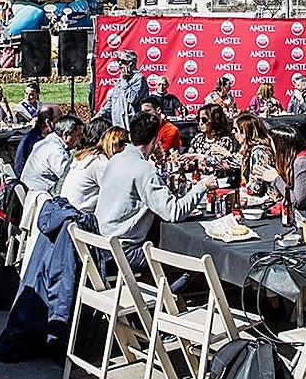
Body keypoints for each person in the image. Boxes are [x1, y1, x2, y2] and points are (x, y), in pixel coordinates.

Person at [95, 112, 211, 268]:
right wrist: (203, 186)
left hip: (102, 247)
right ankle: (167, 292)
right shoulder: (143, 169)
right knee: (193, 258)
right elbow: (173, 213)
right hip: (124, 253)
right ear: (155, 140)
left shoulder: (116, 159)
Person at [253, 125, 306, 213]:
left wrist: (275, 179)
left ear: (281, 146)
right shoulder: (296, 160)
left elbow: (297, 202)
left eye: (272, 144)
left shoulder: (303, 163)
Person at [60, 127, 129, 215]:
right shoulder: (101, 163)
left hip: (66, 210)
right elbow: (116, 193)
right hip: (80, 217)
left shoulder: (88, 155)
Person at [21, 114, 84, 193]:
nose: (80, 139)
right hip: (41, 195)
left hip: (33, 190)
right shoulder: (55, 150)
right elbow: (68, 177)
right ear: (66, 135)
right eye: (78, 135)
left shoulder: (47, 142)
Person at [97, 50, 149, 128]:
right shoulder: (120, 80)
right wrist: (99, 115)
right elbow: (112, 102)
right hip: (117, 124)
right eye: (118, 60)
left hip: (131, 125)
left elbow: (132, 98)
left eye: (123, 61)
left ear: (131, 63)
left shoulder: (139, 78)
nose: (120, 63)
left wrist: (124, 80)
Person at [234, 113, 275, 196]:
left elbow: (256, 187)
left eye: (236, 130)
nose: (235, 134)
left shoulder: (258, 152)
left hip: (263, 202)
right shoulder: (251, 150)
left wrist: (240, 192)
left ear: (245, 133)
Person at [13, 105, 56, 177]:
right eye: (59, 121)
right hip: (28, 183)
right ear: (48, 123)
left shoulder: (33, 134)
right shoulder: (38, 141)